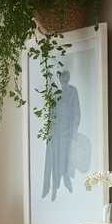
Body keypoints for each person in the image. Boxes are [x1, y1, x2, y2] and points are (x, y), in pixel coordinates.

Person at [42, 68, 81, 201]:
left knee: (66, 158)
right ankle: (54, 187)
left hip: (67, 132)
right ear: (59, 78)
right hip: (55, 132)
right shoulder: (54, 93)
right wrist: (50, 132)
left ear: (69, 77)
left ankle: (66, 179)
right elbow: (50, 113)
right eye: (62, 76)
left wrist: (73, 132)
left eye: (67, 75)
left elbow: (76, 113)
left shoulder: (73, 91)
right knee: (55, 159)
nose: (64, 78)